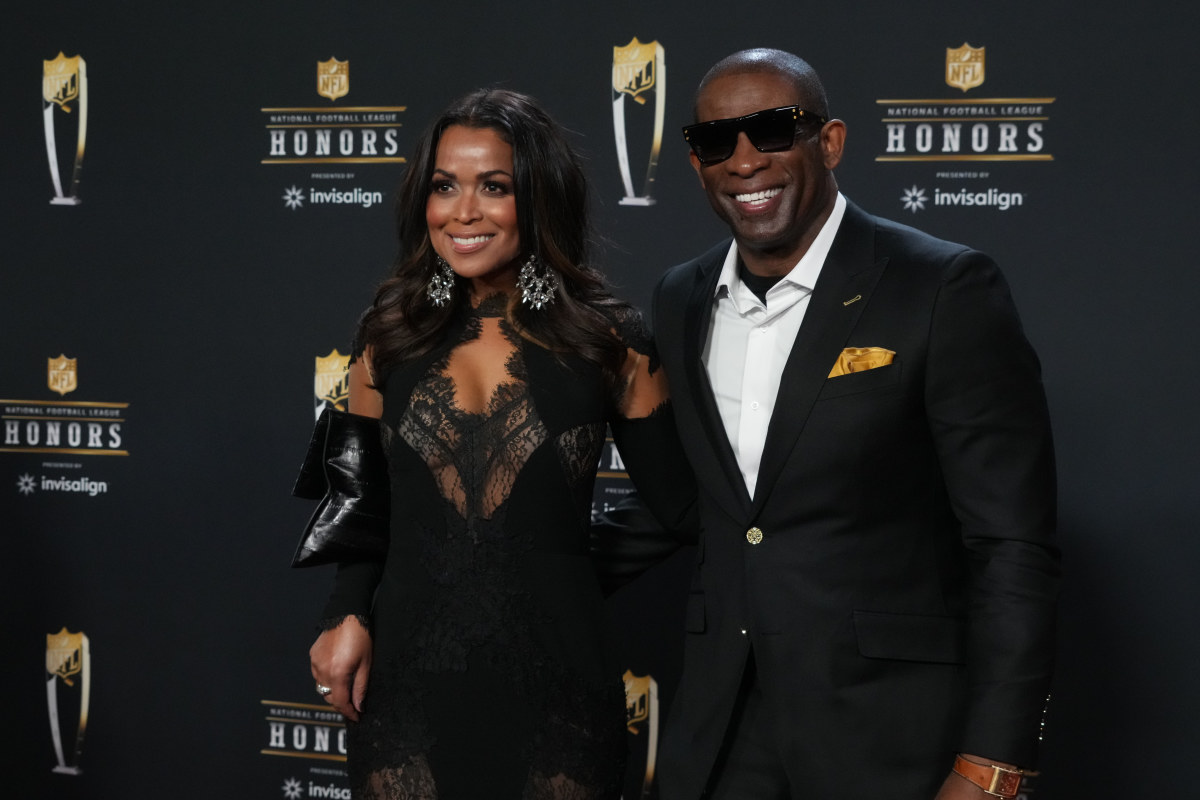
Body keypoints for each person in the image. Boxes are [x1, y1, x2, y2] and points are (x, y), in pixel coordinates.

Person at [650, 49, 1060, 799]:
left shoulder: (941, 286)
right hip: (715, 743)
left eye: (771, 131)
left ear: (829, 142)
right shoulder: (679, 297)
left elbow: (1011, 548)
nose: (743, 161)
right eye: (716, 142)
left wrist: (995, 763)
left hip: (889, 740)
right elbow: (696, 512)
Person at [304, 89, 692, 799]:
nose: (463, 212)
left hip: (559, 680)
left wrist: (561, 564)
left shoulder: (610, 340)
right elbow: (359, 502)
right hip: (408, 682)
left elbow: (679, 506)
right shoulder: (386, 335)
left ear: (540, 198)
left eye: (495, 187)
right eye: (444, 186)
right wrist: (346, 611)